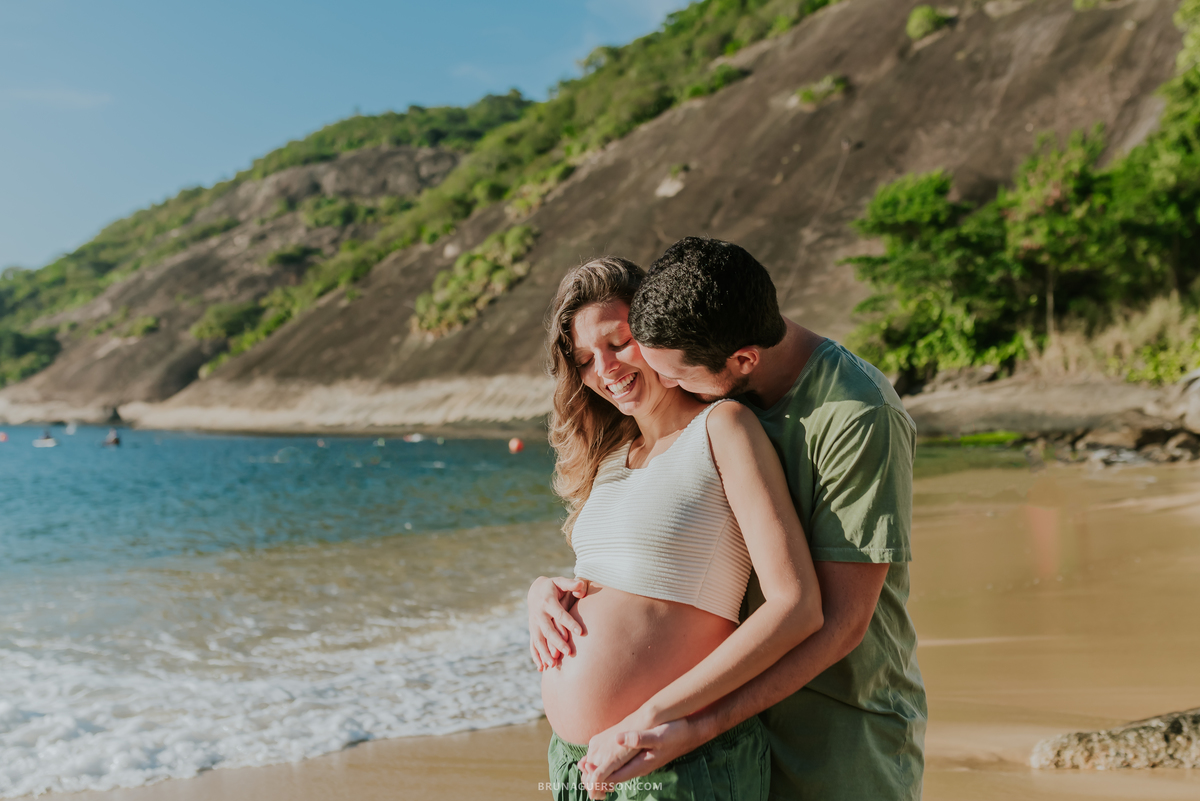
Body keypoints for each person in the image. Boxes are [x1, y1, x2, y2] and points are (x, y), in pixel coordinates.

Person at [531, 238, 927, 801]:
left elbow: (833, 619)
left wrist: (674, 721)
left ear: (740, 361)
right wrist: (542, 594)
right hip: (645, 739)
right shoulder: (626, 448)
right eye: (587, 359)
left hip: (834, 723)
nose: (611, 369)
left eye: (626, 344)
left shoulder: (852, 416)